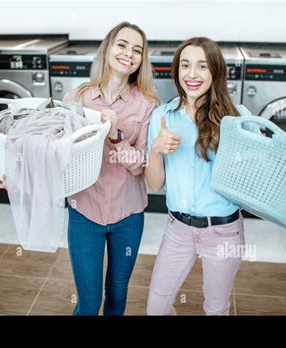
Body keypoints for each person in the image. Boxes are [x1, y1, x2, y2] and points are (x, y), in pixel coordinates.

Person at [145, 37, 257, 315]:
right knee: (156, 308)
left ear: (215, 72)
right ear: (176, 71)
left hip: (223, 232)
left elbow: (266, 166)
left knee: (216, 309)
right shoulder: (162, 116)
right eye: (185, 65)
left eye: (202, 67)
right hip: (178, 230)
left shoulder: (237, 118)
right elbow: (155, 184)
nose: (191, 74)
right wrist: (156, 151)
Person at [61, 22, 158, 315]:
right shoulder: (76, 98)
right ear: (108, 49)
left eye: (137, 50)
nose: (129, 53)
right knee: (89, 303)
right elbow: (54, 151)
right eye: (122, 45)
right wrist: (17, 175)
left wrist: (116, 136)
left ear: (142, 60)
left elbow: (142, 165)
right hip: (84, 213)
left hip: (127, 216)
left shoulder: (147, 105)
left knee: (116, 295)